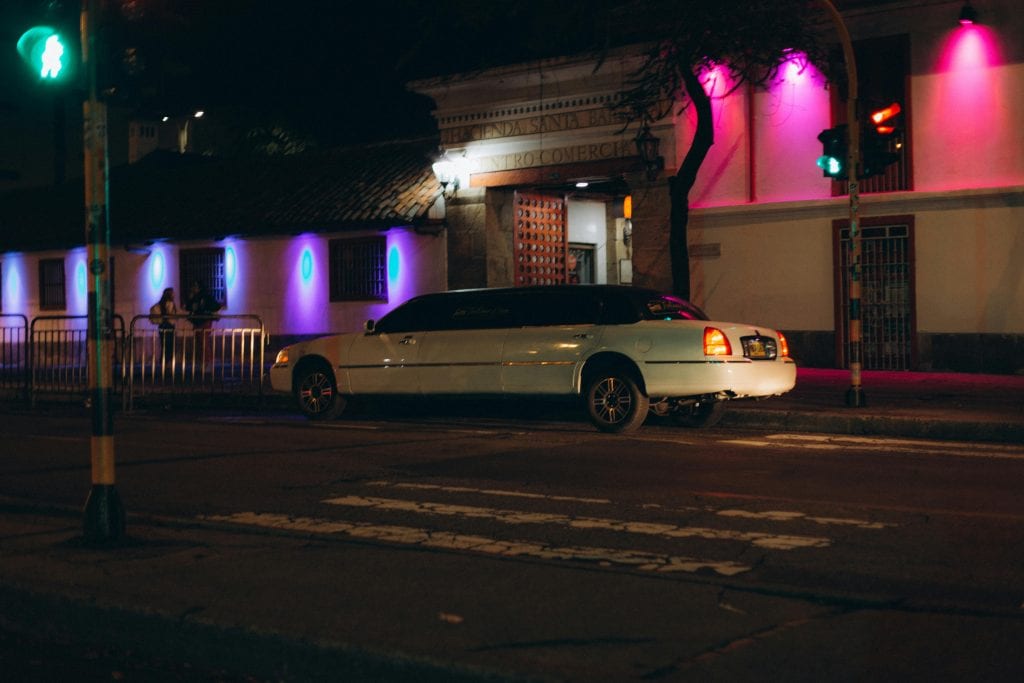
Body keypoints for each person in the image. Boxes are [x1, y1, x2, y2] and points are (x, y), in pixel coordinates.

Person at [184, 281, 221, 369]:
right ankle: (203, 361)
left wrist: (207, 311)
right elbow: (188, 307)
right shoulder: (194, 297)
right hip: (197, 322)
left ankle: (208, 362)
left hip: (205, 321)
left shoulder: (206, 296)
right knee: (199, 342)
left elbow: (216, 306)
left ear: (199, 287)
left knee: (204, 342)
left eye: (195, 287)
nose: (193, 288)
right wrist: (190, 299)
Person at [149, 287, 178, 364]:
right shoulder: (170, 303)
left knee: (164, 345)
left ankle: (163, 362)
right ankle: (168, 362)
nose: (174, 295)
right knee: (170, 345)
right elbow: (171, 315)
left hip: (162, 326)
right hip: (169, 326)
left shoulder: (160, 304)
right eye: (172, 293)